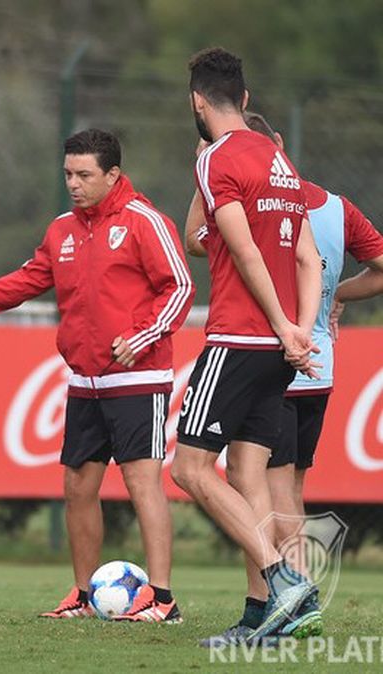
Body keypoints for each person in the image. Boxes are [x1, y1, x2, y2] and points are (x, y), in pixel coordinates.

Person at [0, 128, 194, 623]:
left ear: (112, 174)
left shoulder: (143, 221)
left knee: (141, 482)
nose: (74, 183)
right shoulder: (62, 230)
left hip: (137, 377)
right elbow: (22, 283)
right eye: (68, 173)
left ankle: (163, 599)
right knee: (77, 487)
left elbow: (180, 286)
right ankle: (85, 596)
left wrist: (143, 336)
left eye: (84, 175)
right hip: (84, 381)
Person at [186, 111, 383, 645]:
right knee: (268, 486)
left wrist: (283, 325)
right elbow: (318, 262)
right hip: (308, 360)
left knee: (202, 472)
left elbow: (206, 243)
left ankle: (287, 590)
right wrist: (314, 320)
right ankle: (274, 609)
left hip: (257, 346)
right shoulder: (325, 202)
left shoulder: (237, 182)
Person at [169, 47, 323, 646]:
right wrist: (300, 329)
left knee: (189, 468)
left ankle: (286, 582)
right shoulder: (279, 159)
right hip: (277, 351)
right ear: (248, 100)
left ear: (197, 104)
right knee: (245, 473)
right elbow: (308, 257)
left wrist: (284, 326)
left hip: (238, 338)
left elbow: (243, 252)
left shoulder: (216, 159)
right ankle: (261, 617)